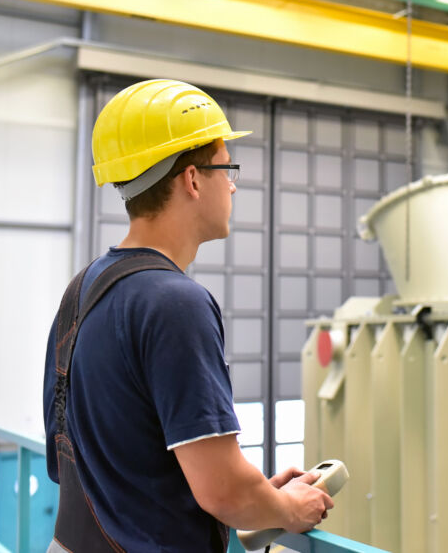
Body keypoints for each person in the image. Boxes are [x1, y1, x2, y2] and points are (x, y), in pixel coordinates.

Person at [42, 79, 333, 552]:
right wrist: (288, 509)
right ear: (193, 179)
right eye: (227, 167)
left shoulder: (84, 289)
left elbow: (107, 457)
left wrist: (257, 496)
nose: (233, 183)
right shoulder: (175, 303)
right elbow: (221, 490)